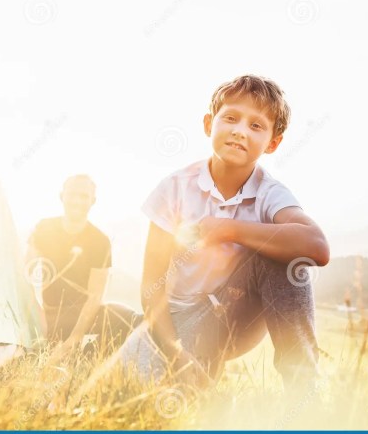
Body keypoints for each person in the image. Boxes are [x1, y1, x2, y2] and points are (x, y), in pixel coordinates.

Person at [120, 75, 330, 392]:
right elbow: (152, 285)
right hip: (175, 323)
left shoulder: (270, 192)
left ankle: (305, 390)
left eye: (256, 126)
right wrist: (177, 353)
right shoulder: (175, 188)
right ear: (209, 124)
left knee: (287, 259)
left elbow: (316, 246)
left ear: (273, 142)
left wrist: (227, 229)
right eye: (230, 118)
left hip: (231, 317)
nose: (240, 130)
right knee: (136, 392)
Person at [27, 174, 142, 356]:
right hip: (47, 315)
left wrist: (75, 337)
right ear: (61, 196)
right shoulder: (44, 228)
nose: (77, 201)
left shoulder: (100, 241)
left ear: (93, 201)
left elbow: (95, 296)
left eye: (84, 196)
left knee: (130, 318)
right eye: (72, 194)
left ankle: (88, 357)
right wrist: (37, 314)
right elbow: (25, 276)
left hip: (83, 317)